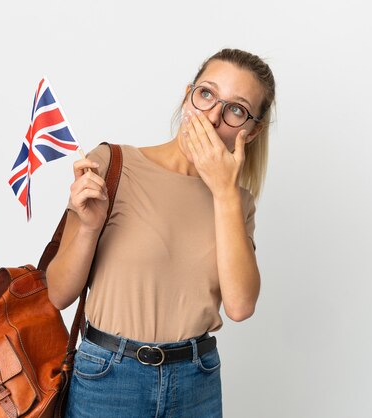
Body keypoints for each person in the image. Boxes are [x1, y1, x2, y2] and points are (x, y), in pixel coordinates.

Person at [46, 48, 276, 417]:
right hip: (107, 378)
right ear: (188, 96)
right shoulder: (113, 163)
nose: (213, 116)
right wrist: (89, 227)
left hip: (196, 380)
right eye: (207, 94)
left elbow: (240, 306)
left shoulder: (236, 202)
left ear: (252, 131)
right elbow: (58, 295)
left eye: (236, 110)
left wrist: (224, 193)